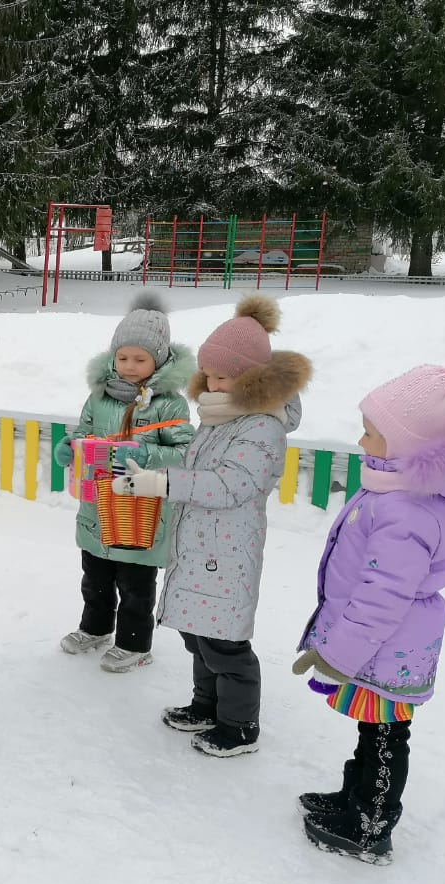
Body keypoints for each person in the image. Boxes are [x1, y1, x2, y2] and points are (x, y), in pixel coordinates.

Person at [291, 358, 445, 863]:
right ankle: (354, 800)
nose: (361, 442)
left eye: (371, 434)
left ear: (408, 445)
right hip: (383, 645)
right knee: (375, 730)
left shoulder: (408, 509)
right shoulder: (397, 490)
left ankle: (371, 825)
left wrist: (337, 655)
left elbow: (382, 595)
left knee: (386, 734)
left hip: (388, 645)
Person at [113, 294, 311, 757]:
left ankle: (240, 725)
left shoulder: (261, 425)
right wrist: (153, 467)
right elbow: (197, 463)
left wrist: (163, 483)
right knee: (197, 634)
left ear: (252, 378)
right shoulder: (219, 418)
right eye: (210, 375)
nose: (213, 383)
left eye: (224, 376)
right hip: (200, 547)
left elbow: (231, 484)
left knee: (225, 644)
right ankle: (207, 704)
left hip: (227, 553)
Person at [53, 293, 195, 672]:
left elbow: (186, 452)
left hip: (141, 509)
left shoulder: (169, 404)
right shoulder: (99, 397)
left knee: (135, 584)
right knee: (95, 575)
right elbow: (83, 432)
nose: (130, 366)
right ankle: (95, 628)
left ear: (159, 360)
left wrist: (151, 457)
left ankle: (135, 644)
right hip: (98, 505)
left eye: (140, 359)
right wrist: (69, 448)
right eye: (123, 357)